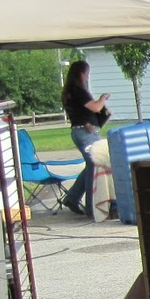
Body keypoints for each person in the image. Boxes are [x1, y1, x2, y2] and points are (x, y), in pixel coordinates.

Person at [60, 59, 110, 217]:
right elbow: (95, 107)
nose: (87, 77)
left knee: (91, 166)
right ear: (81, 73)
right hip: (85, 132)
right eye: (86, 73)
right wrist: (103, 98)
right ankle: (92, 207)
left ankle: (72, 198)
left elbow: (81, 112)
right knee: (96, 167)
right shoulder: (78, 90)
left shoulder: (68, 92)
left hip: (79, 130)